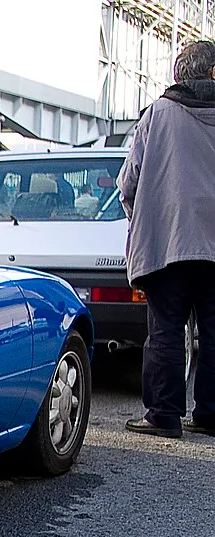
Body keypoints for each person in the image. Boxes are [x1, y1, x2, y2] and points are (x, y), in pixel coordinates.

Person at [119, 40, 215, 439]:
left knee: (166, 330)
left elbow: (129, 182)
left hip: (169, 245)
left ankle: (164, 415)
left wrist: (146, 220)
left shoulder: (157, 115)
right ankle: (210, 415)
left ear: (179, 75)